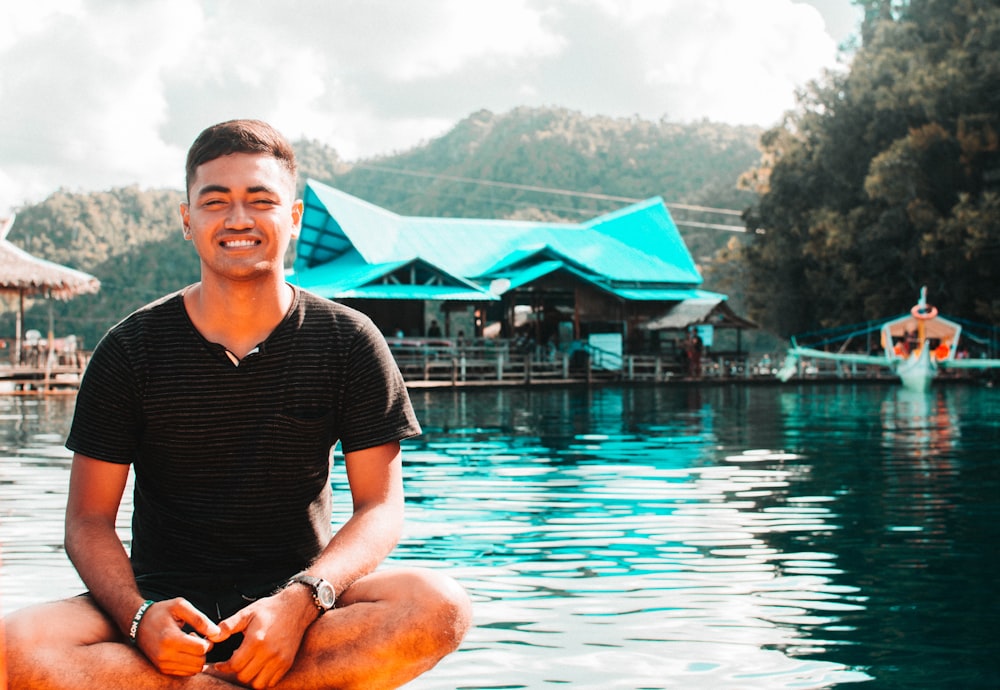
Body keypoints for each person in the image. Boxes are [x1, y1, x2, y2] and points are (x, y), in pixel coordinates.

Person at [2, 119, 472, 689]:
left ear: (293, 218)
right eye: (216, 201)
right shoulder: (130, 350)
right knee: (13, 646)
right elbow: (88, 520)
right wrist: (138, 617)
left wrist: (303, 600)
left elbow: (380, 507)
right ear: (187, 220)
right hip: (165, 610)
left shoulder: (348, 341)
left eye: (260, 200)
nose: (238, 219)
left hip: (300, 606)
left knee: (438, 606)